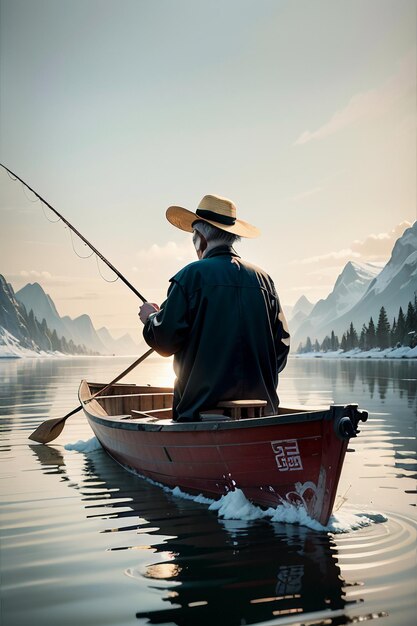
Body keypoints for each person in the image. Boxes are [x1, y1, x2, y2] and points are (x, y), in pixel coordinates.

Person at [139, 194, 290, 422]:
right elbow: (281, 348)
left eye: (193, 237)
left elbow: (165, 341)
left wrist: (151, 319)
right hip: (262, 413)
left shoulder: (190, 277)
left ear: (200, 238)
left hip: (198, 414)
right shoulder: (264, 281)